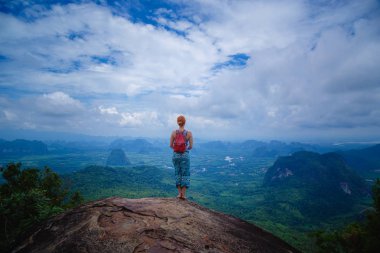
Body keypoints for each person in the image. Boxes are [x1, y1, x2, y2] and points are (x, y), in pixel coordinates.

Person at [170, 115, 193, 200]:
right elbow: (191, 146)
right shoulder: (189, 133)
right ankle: (183, 194)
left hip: (175, 155)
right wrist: (184, 148)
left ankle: (179, 194)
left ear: (177, 122)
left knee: (177, 173)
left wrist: (177, 149)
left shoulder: (173, 133)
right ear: (185, 122)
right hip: (185, 156)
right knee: (185, 174)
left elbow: (170, 145)